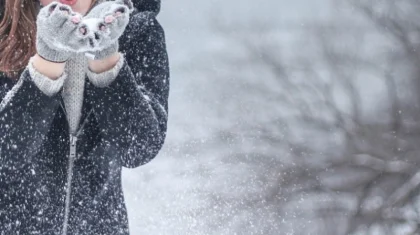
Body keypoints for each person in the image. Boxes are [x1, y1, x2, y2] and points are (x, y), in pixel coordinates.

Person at [0, 0, 169, 234]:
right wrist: (48, 60)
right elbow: (5, 154)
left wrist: (106, 59)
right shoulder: (3, 26)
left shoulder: (138, 29)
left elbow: (139, 148)